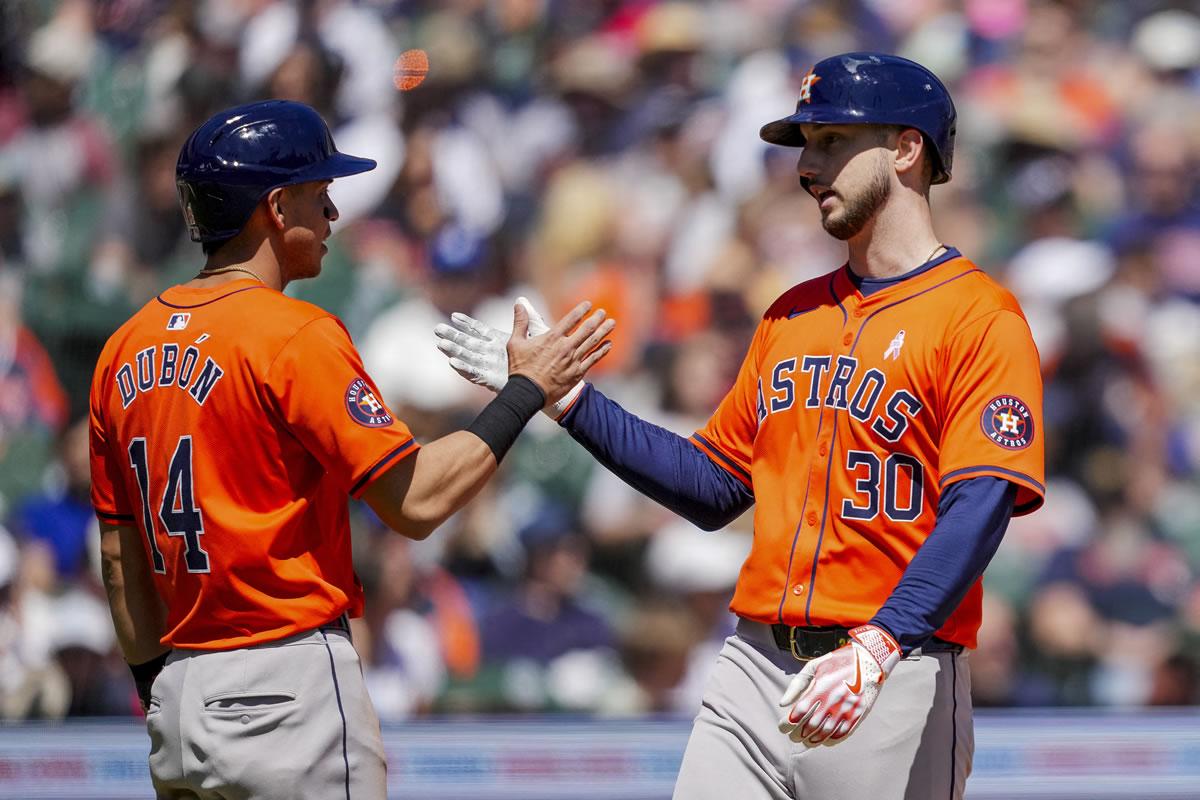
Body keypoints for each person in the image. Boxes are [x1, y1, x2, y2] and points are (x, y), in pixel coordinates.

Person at [434, 53, 1045, 799]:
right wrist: (564, 400)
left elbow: (979, 505)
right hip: (751, 667)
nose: (806, 167)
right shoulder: (791, 314)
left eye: (830, 142)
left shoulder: (980, 317)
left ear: (907, 148)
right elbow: (714, 485)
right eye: (806, 144)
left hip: (893, 671)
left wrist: (882, 643)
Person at [87, 99, 614, 800]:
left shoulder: (122, 349)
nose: (333, 215)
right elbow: (418, 501)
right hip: (286, 689)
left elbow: (122, 565)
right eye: (321, 195)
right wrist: (526, 391)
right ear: (276, 207)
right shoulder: (294, 333)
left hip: (181, 696)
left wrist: (160, 688)